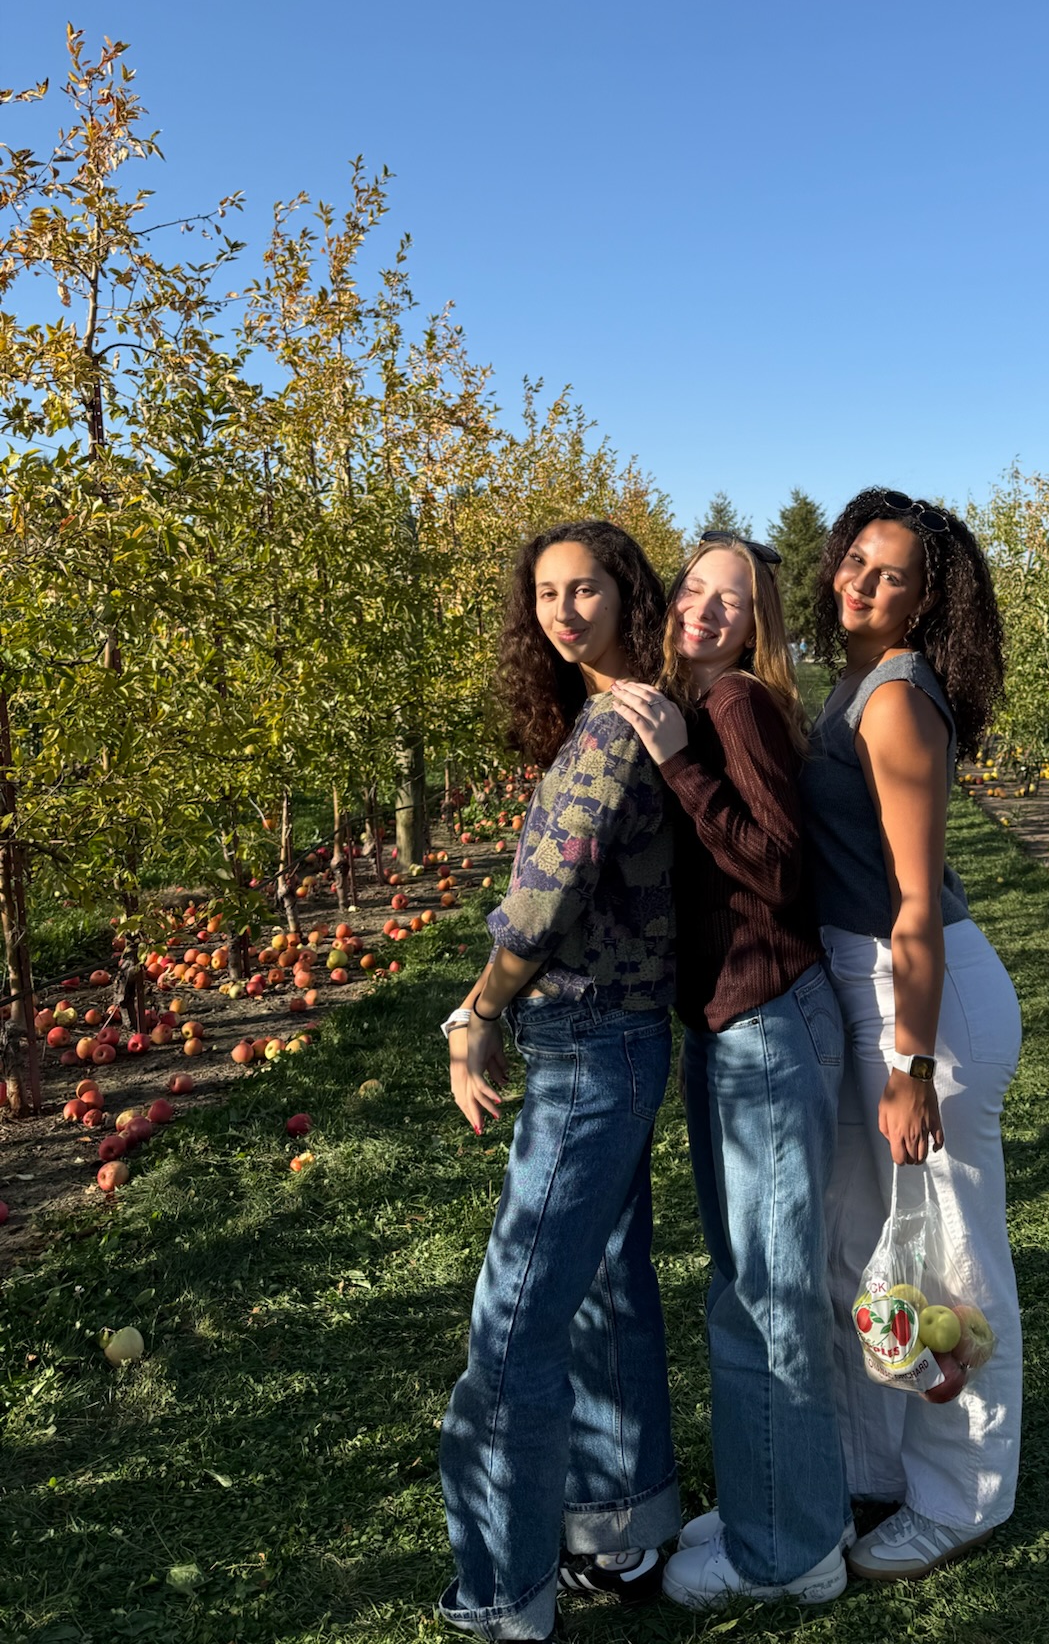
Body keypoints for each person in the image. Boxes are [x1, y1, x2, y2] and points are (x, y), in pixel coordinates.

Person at [437, 521, 680, 1643]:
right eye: (545, 592)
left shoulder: (614, 729)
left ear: (627, 595)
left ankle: (503, 1596)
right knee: (603, 1290)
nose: (564, 610)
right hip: (616, 1037)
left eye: (585, 588)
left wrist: (480, 1011)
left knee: (514, 1325)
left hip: (587, 1045)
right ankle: (622, 1530)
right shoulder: (624, 712)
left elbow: (543, 900)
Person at [609, 531, 850, 1609]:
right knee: (747, 1285)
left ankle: (788, 1553)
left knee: (769, 1297)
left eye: (732, 597)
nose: (704, 608)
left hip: (765, 1021)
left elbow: (781, 866)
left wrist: (679, 763)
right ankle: (779, 1500)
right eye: (694, 587)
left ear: (758, 625)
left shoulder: (735, 705)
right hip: (734, 1021)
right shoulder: (697, 704)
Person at [801, 487, 1022, 1582]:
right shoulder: (856, 679)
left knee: (953, 1260)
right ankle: (877, 1467)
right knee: (866, 1244)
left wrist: (912, 1064)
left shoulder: (894, 698)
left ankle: (962, 1496)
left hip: (918, 997)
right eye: (855, 560)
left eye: (891, 575)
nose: (861, 582)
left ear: (927, 601)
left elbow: (918, 903)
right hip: (870, 986)